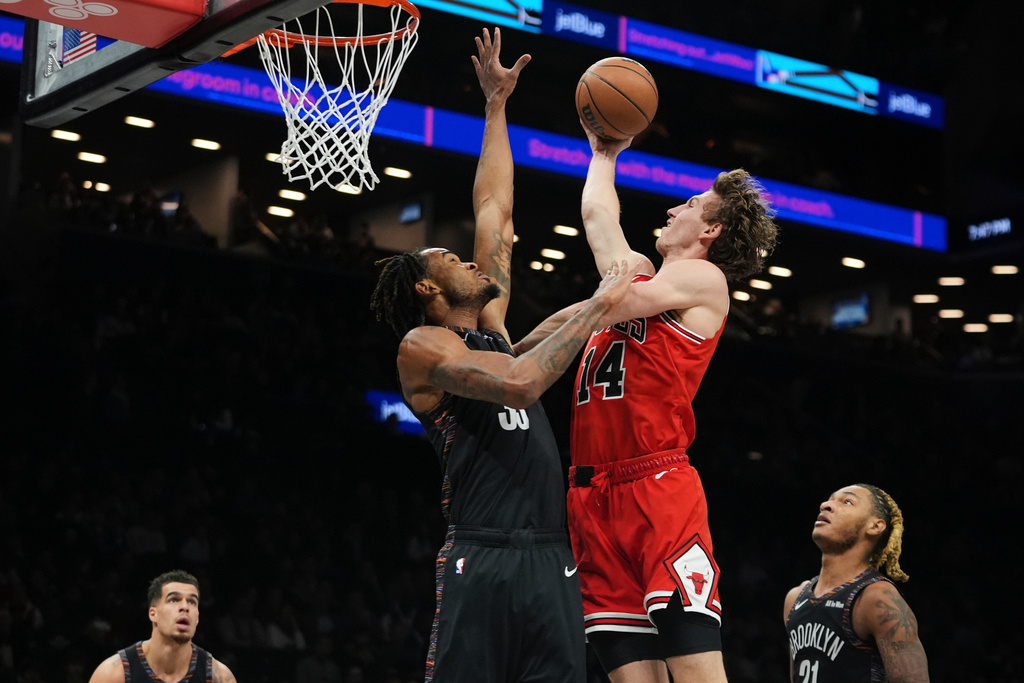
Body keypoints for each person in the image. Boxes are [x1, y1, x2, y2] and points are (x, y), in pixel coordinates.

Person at [369, 29, 637, 683]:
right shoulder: (423, 347)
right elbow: (519, 384)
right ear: (429, 290)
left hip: (552, 554)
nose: (465, 255)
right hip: (481, 554)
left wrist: (495, 104)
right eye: (445, 257)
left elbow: (494, 206)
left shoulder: (488, 325)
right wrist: (601, 303)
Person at [566, 126, 779, 682]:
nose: (673, 207)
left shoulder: (704, 278)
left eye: (689, 204)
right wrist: (603, 154)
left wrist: (539, 338)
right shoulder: (641, 276)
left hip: (655, 486)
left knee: (697, 673)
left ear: (711, 228)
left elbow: (615, 300)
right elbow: (597, 218)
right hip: (590, 493)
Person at [783, 484, 930, 682]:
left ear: (875, 526)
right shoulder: (795, 598)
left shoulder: (877, 598)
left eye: (847, 502)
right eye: (829, 499)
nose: (826, 505)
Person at [87, 570, 237, 683]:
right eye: (173, 600)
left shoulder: (219, 677)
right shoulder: (113, 674)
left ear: (197, 618)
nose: (185, 607)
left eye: (192, 602)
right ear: (153, 614)